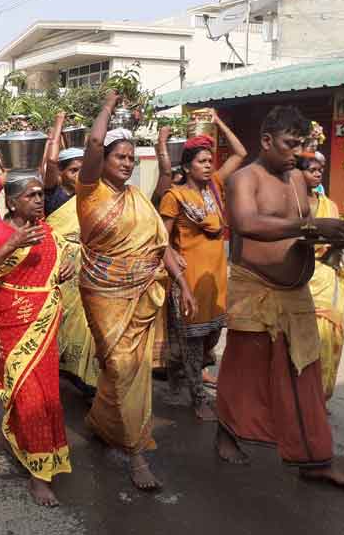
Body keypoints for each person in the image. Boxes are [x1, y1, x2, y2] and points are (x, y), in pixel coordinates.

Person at [216, 105, 344, 488]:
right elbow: (247, 223)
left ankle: (315, 459)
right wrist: (310, 223)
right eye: (289, 144)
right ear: (266, 140)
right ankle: (227, 432)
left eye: (299, 145)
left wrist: (330, 235)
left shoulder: (297, 179)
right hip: (253, 286)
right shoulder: (244, 178)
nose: (296, 153)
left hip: (296, 290)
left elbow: (295, 230)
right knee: (244, 371)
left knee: (305, 373)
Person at [77, 91, 196, 491]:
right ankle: (135, 453)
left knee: (125, 372)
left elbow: (157, 247)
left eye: (131, 158)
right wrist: (108, 104)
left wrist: (181, 284)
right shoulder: (89, 192)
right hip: (104, 294)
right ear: (103, 160)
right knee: (121, 368)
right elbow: (94, 142)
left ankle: (101, 422)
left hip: (142, 292)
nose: (127, 164)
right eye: (119, 157)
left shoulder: (138, 198)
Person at [0, 170, 73, 507]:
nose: (39, 200)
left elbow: (50, 264)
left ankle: (38, 467)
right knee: (26, 392)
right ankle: (38, 474)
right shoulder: (0, 230)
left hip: (44, 319)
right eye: (30, 195)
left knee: (45, 395)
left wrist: (62, 270)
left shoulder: (46, 230)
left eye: (41, 194)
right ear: (11, 202)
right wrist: (10, 245)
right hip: (12, 319)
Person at [158, 114, 247, 420]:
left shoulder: (215, 187)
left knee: (210, 338)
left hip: (216, 278)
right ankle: (197, 398)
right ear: (187, 166)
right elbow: (161, 239)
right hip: (189, 278)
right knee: (192, 340)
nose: (209, 165)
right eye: (202, 161)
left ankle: (175, 374)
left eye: (210, 160)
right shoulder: (174, 196)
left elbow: (241, 154)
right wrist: (172, 254)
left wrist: (219, 122)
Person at [43, 114, 98, 393]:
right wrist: (59, 124)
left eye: (82, 170)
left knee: (87, 326)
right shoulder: (52, 195)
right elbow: (50, 162)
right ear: (62, 173)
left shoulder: (90, 197)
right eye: (73, 170)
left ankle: (87, 381)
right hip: (58, 266)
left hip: (86, 268)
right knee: (59, 322)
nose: (78, 175)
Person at [302, 152, 344, 401]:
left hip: (326, 275)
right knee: (303, 340)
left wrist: (342, 243)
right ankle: (299, 396)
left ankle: (318, 396)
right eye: (311, 169)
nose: (317, 174)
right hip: (298, 275)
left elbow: (335, 244)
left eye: (319, 170)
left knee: (329, 336)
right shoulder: (289, 203)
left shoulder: (330, 204)